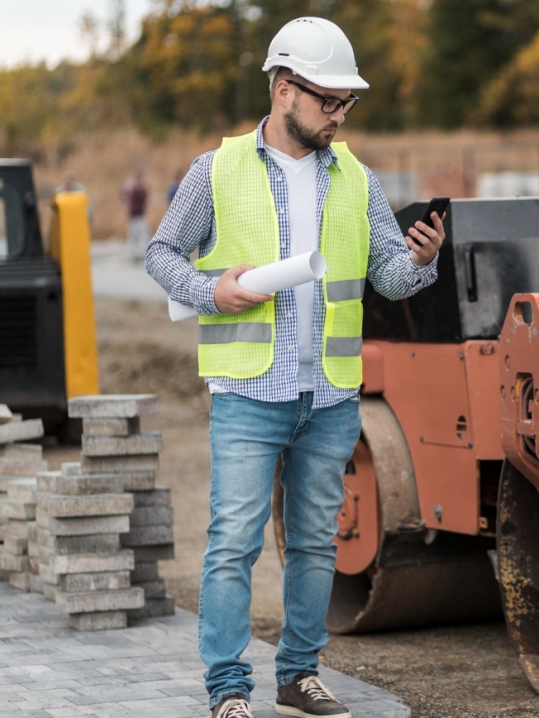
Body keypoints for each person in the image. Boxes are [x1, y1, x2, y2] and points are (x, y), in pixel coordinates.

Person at [145, 16, 445, 718]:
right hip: (249, 391)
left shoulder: (357, 180)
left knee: (315, 543)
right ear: (284, 90)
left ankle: (298, 675)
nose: (339, 115)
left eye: (347, 103)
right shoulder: (215, 169)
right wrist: (209, 290)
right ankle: (227, 689)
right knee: (232, 545)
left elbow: (387, 278)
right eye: (328, 101)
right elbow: (162, 254)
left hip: (331, 396)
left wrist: (421, 262)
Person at [122, 171, 149, 261]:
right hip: (135, 216)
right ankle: (133, 254)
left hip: (138, 215)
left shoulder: (131, 188)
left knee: (142, 236)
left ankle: (139, 253)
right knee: (136, 236)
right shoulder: (134, 188)